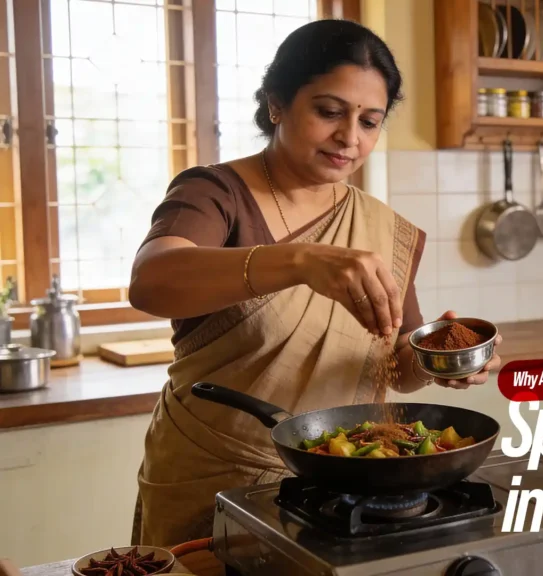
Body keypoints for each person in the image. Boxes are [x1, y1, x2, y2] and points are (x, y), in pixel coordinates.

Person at [127, 19, 501, 547]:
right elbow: (150, 281)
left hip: (338, 484)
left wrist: (441, 361)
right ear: (277, 102)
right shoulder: (216, 192)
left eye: (370, 121)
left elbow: (397, 363)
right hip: (211, 478)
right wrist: (300, 262)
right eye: (329, 112)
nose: (350, 137)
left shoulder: (381, 227)